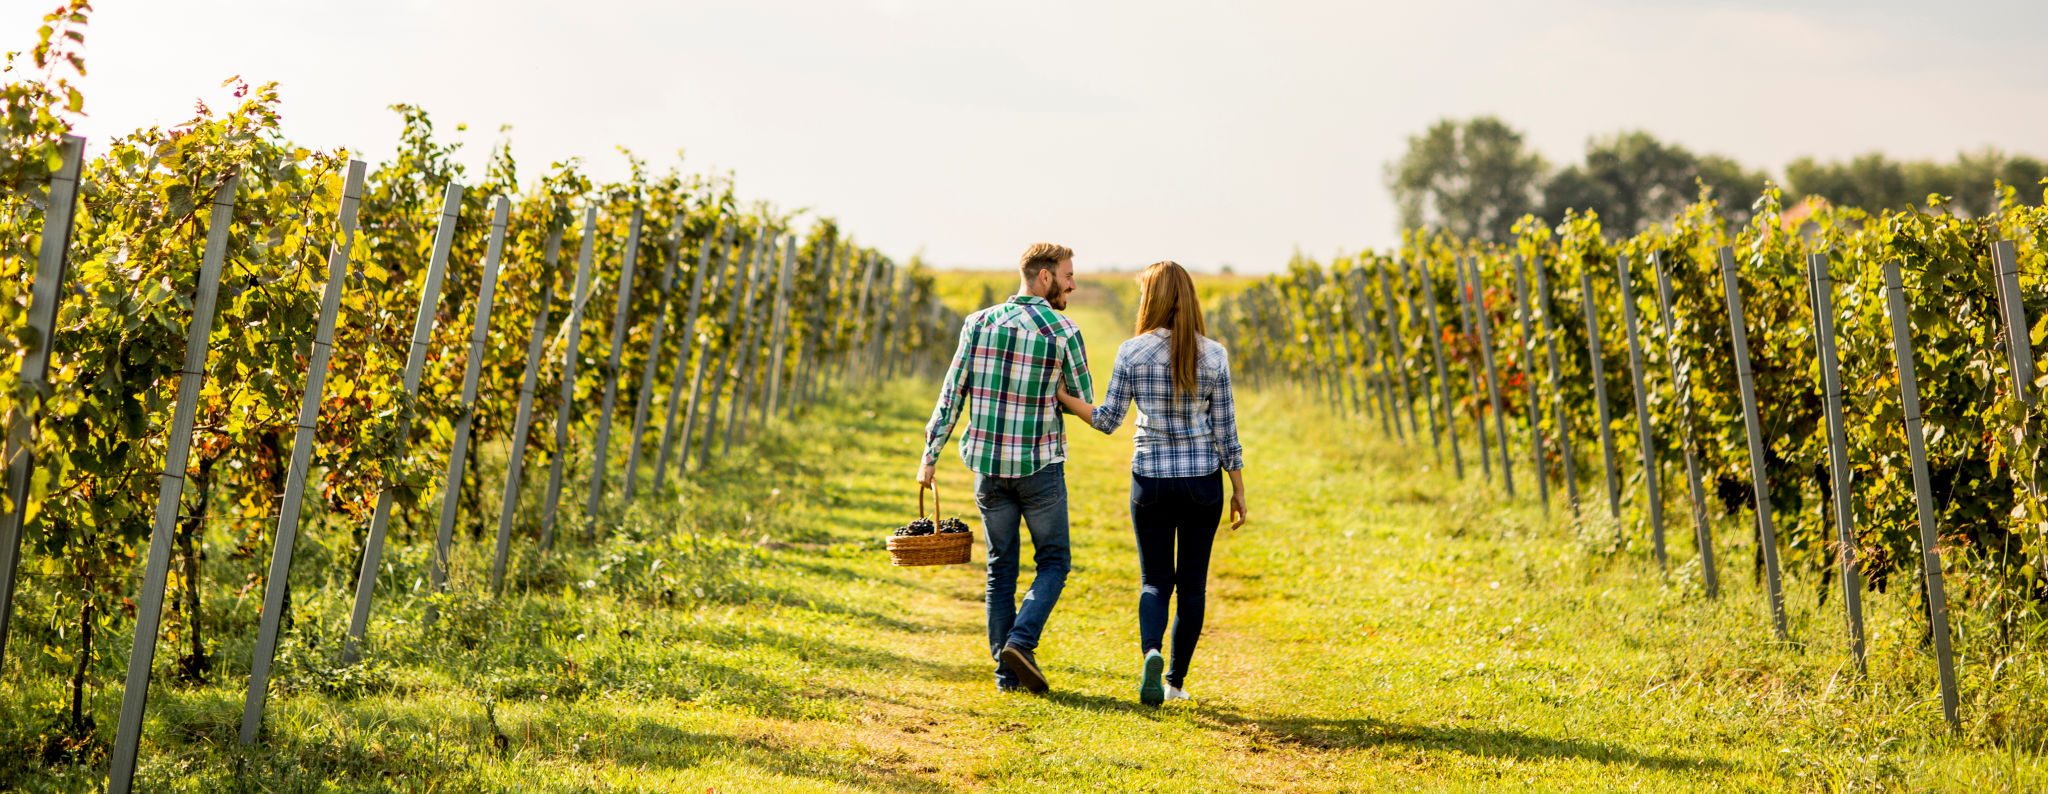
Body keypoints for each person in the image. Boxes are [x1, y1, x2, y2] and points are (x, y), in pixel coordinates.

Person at [1056, 261, 1246, 705]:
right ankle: (1175, 683)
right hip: (1202, 483)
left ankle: (1152, 652)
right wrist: (1238, 489)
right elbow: (1227, 433)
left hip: (1151, 480)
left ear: (1152, 299)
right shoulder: (1214, 354)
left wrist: (1065, 398)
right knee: (1193, 586)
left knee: (1154, 581)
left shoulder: (1132, 351)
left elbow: (1107, 420)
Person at [920, 242, 1091, 694]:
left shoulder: (978, 323)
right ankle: (1021, 641)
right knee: (1054, 561)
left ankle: (1005, 676)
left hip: (989, 469)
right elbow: (1081, 398)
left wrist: (929, 458)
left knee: (1001, 567)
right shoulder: (1065, 332)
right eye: (1068, 276)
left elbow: (951, 394)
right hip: (1039, 468)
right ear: (1045, 277)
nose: (1073, 284)